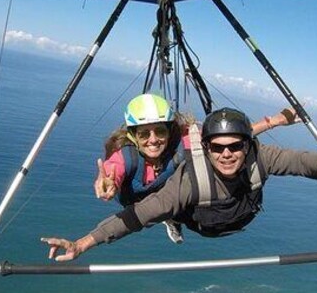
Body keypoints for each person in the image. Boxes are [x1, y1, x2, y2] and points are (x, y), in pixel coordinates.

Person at [44, 107, 317, 261]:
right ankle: (174, 220)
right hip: (201, 219)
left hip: (240, 215)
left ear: (245, 144)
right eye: (217, 147)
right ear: (206, 147)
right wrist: (83, 243)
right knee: (163, 209)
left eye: (235, 146)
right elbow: (136, 216)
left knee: (264, 152)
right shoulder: (185, 183)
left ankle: (174, 216)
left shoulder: (258, 155)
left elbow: (301, 161)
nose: (227, 154)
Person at [93, 94, 298, 244]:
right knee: (159, 207)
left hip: (173, 198)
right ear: (132, 135)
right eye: (144, 134)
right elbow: (113, 170)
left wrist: (275, 121)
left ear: (169, 130)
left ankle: (172, 218)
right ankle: (169, 217)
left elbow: (229, 136)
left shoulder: (184, 142)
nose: (153, 140)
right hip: (139, 201)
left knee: (193, 181)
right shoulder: (126, 158)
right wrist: (108, 183)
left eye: (160, 131)